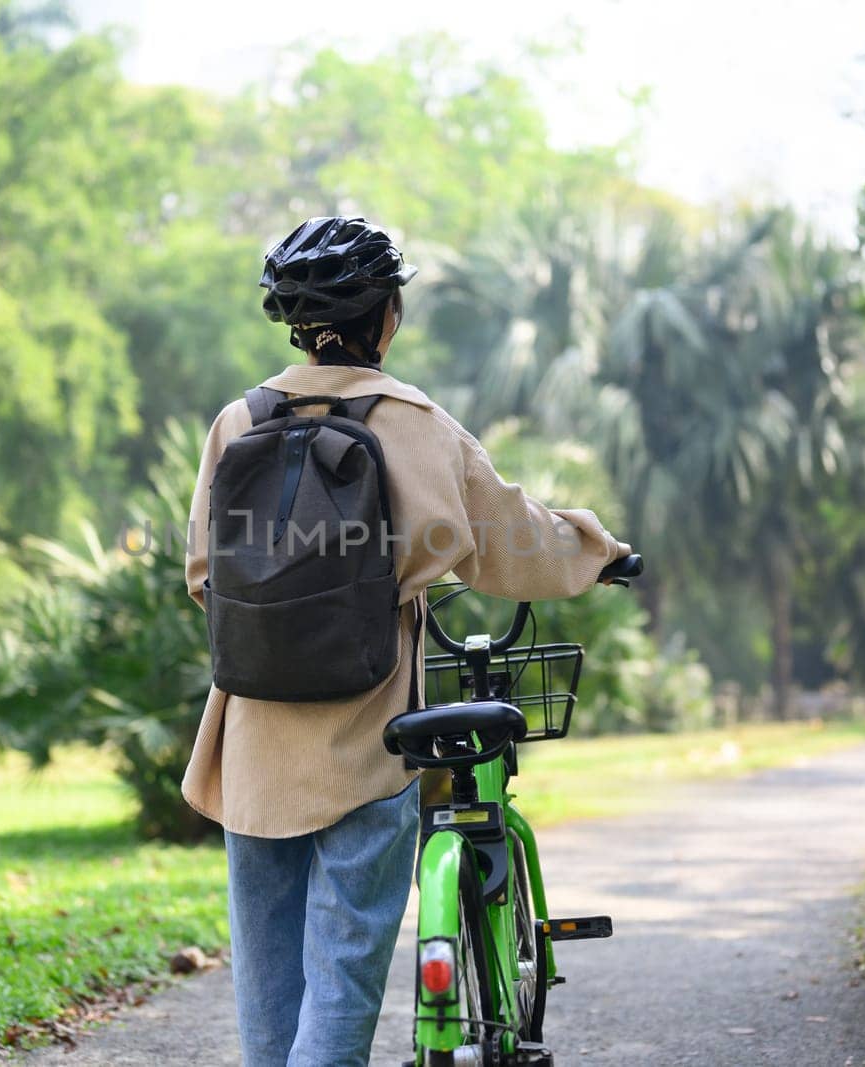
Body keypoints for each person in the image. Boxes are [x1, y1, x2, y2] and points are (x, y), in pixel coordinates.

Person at [182, 215, 630, 1067]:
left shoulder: (236, 422)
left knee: (267, 985)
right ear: (386, 317)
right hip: (364, 731)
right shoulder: (414, 423)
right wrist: (597, 552)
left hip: (253, 737)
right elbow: (512, 540)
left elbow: (205, 573)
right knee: (344, 972)